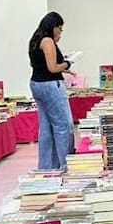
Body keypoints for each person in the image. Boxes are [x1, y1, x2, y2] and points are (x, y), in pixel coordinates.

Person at [28, 11, 76, 172]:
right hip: (50, 86)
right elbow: (53, 68)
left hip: (37, 84)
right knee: (64, 126)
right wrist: (68, 63)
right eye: (60, 28)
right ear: (53, 26)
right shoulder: (48, 41)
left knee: (46, 127)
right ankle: (66, 164)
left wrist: (65, 69)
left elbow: (42, 65)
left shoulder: (35, 39)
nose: (60, 32)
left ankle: (47, 167)